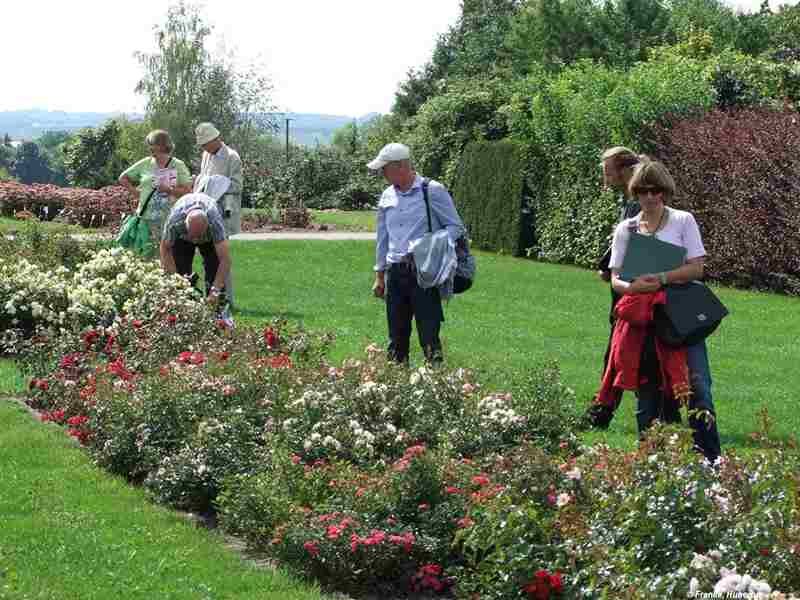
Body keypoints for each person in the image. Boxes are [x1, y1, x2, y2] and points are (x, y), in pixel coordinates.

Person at [599, 160, 721, 463]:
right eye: (642, 191)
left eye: (655, 190)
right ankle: (652, 464)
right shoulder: (625, 229)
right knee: (648, 394)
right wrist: (632, 288)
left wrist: (663, 278)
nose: (650, 197)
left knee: (697, 386)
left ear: (665, 191)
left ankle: (711, 461)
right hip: (641, 323)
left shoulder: (683, 221)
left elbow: (697, 268)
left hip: (678, 319)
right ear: (635, 193)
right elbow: (615, 278)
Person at [369, 143, 465, 364]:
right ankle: (395, 389)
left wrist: (426, 246)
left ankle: (436, 388)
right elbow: (382, 237)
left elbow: (455, 227)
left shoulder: (432, 190)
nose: (382, 173)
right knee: (396, 337)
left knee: (429, 335)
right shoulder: (386, 195)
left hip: (424, 273)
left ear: (401, 166)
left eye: (385, 168)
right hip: (395, 273)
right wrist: (379, 275)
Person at [585, 147, 643, 429]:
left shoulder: (638, 200)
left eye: (608, 170)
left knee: (619, 352)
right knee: (619, 352)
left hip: (634, 290)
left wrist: (609, 267)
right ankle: (603, 410)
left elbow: (631, 241)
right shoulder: (631, 198)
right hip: (628, 287)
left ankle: (602, 412)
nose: (605, 176)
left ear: (624, 170)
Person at [119, 130, 192, 253]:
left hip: (170, 220)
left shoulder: (178, 165)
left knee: (167, 256)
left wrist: (169, 190)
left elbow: (187, 191)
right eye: (149, 144)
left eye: (153, 144)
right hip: (146, 219)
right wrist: (136, 192)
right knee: (145, 255)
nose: (150, 148)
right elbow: (123, 178)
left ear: (164, 145)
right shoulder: (146, 163)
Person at [195, 122, 242, 307]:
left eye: (206, 143)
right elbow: (203, 178)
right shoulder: (206, 155)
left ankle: (226, 298)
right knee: (209, 256)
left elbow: (237, 186)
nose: (204, 147)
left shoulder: (232, 157)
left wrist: (218, 184)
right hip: (205, 211)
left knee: (222, 257)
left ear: (215, 139)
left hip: (223, 213)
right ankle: (212, 295)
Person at [159, 192, 232, 312]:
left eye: (199, 236)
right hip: (182, 239)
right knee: (181, 273)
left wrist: (215, 291)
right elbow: (165, 248)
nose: (196, 241)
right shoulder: (175, 222)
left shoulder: (214, 222)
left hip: (209, 239)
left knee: (214, 269)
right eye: (193, 236)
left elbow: (225, 260)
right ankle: (183, 312)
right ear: (185, 225)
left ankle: (217, 315)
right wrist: (175, 281)